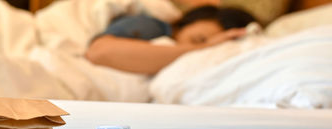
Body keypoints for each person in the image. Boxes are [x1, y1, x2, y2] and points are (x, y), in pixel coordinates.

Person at [85, 5, 256, 75]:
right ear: (193, 19)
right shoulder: (153, 26)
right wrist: (203, 47)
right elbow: (99, 52)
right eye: (199, 39)